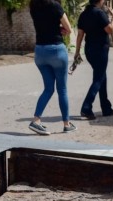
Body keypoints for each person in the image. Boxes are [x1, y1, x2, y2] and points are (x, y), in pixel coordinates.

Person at [29, 0, 76, 135]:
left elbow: (43, 25)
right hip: (56, 50)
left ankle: (36, 120)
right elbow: (68, 29)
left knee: (48, 89)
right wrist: (61, 30)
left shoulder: (33, 6)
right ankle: (67, 124)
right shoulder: (55, 6)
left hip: (40, 52)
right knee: (62, 89)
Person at [74, 0, 113, 120]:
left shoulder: (83, 14)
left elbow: (80, 34)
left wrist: (77, 52)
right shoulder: (99, 13)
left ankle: (106, 107)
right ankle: (86, 107)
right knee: (98, 78)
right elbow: (110, 30)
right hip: (100, 49)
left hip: (89, 50)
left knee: (101, 76)